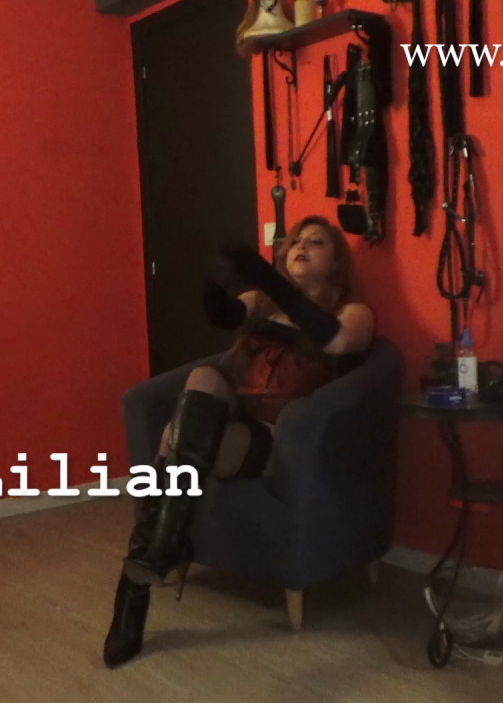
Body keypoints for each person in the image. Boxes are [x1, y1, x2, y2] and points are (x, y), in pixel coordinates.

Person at [103, 216, 375, 668]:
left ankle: (135, 592)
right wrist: (214, 279)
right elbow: (222, 315)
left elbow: (338, 343)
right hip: (230, 417)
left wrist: (269, 277)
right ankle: (159, 554)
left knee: (174, 445)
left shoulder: (353, 313)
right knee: (202, 378)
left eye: (316, 242)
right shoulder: (262, 304)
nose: (301, 246)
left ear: (335, 263)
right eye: (295, 241)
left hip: (278, 438)